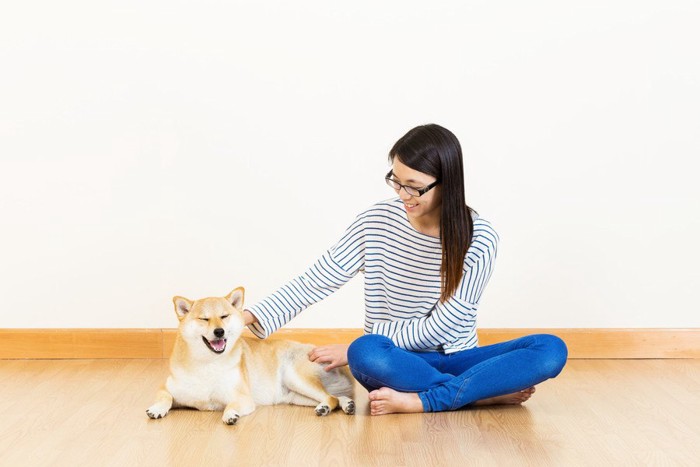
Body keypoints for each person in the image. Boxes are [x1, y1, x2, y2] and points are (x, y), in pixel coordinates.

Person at [242, 124, 567, 415]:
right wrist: (247, 317)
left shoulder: (480, 238)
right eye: (396, 182)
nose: (402, 195)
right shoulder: (377, 221)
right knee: (365, 351)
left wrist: (348, 349)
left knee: (550, 349)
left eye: (414, 187)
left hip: (458, 356)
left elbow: (444, 326)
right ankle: (474, 394)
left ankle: (429, 399)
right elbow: (317, 279)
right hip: (393, 362)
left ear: (446, 183)